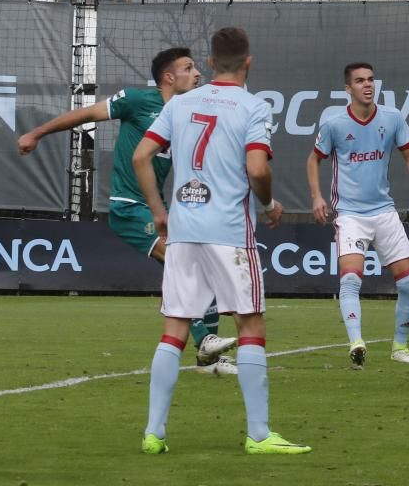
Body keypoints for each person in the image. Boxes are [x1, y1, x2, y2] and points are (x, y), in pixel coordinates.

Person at [134, 27, 310, 453]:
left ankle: (154, 434)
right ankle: (259, 435)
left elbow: (141, 156)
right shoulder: (253, 107)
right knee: (250, 324)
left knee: (174, 329)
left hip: (184, 230)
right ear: (248, 62)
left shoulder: (181, 103)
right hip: (229, 231)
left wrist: (160, 213)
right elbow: (258, 170)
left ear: (211, 63)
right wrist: (269, 205)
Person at [17, 48, 238, 375]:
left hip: (159, 208)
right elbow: (86, 114)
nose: (197, 74)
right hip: (129, 207)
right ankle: (204, 340)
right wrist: (36, 133)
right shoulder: (137, 101)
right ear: (168, 77)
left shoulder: (188, 114)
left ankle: (208, 359)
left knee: (200, 267)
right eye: (188, 68)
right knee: (184, 263)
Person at [306, 62, 409, 368]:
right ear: (347, 89)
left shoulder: (392, 118)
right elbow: (313, 160)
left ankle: (400, 347)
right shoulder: (334, 123)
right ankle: (356, 342)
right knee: (351, 277)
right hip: (350, 214)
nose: (368, 85)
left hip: (383, 212)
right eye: (360, 81)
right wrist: (316, 197)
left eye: (371, 79)